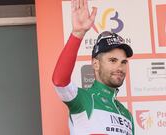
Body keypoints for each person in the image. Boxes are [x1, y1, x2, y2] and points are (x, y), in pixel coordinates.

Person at [52, 0, 135, 134]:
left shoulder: (127, 115)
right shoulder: (84, 99)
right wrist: (77, 34)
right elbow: (59, 81)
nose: (120, 67)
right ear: (96, 64)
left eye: (123, 62)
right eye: (113, 60)